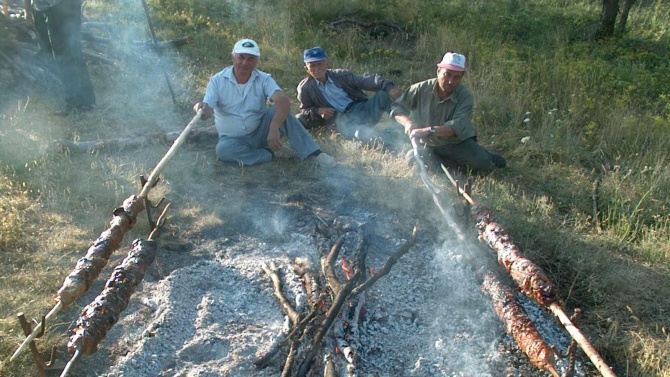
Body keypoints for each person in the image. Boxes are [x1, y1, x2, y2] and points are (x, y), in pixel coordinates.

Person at [193, 39, 335, 167]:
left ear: (256, 62)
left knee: (282, 110)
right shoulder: (217, 81)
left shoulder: (263, 79)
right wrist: (200, 108)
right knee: (223, 151)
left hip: (261, 132)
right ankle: (270, 154)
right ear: (233, 58)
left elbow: (283, 101)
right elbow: (206, 112)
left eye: (250, 59)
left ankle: (314, 154)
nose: (245, 63)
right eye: (241, 57)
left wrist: (273, 128)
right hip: (232, 140)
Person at [391, 52, 506, 172]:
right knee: (412, 159)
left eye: (456, 77)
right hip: (427, 144)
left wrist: (427, 131)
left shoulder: (465, 97)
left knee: (482, 164)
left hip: (456, 143)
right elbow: (397, 108)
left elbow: (454, 128)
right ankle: (448, 164)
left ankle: (484, 155)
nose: (450, 81)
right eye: (447, 74)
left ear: (462, 77)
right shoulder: (420, 88)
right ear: (438, 71)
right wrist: (408, 122)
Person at [296, 47, 402, 141]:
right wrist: (318, 111)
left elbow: (366, 81)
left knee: (383, 95)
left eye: (320, 64)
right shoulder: (305, 88)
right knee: (361, 134)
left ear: (327, 63)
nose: (317, 68)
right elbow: (305, 110)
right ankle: (396, 142)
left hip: (362, 110)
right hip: (342, 122)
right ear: (307, 69)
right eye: (312, 66)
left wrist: (389, 87)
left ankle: (404, 127)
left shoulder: (341, 75)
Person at [24, 0, 96, 115]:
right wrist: (28, 10)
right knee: (65, 55)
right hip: (44, 8)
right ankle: (85, 101)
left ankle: (76, 103)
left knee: (65, 56)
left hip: (60, 8)